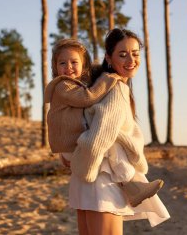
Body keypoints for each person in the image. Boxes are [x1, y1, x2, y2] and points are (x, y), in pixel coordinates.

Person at [69, 29, 170, 235]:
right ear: (109, 57)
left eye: (135, 53)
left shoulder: (99, 86)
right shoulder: (116, 89)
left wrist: (77, 167)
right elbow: (98, 138)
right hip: (102, 182)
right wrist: (85, 170)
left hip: (89, 182)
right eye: (122, 54)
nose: (131, 59)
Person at [44, 38, 164, 208]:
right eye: (62, 63)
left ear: (84, 66)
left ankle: (130, 186)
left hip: (73, 145)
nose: (68, 67)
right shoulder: (63, 86)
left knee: (112, 145)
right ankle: (130, 183)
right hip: (72, 147)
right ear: (55, 67)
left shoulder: (76, 85)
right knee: (112, 143)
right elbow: (88, 97)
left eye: (74, 62)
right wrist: (108, 79)